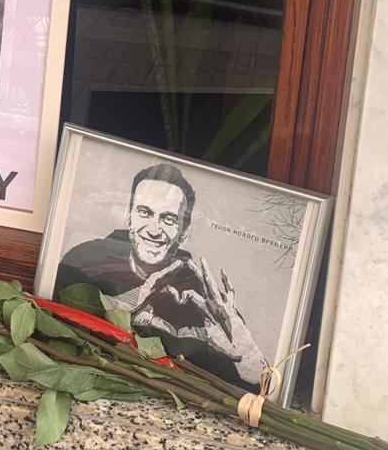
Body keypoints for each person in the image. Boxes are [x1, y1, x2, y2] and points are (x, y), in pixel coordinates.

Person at [52, 160, 266, 387]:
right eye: (145, 212)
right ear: (129, 216)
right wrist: (132, 304)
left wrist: (246, 353)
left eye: (169, 219)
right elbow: (58, 323)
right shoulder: (84, 260)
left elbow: (254, 387)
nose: (154, 230)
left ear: (185, 231)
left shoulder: (201, 298)